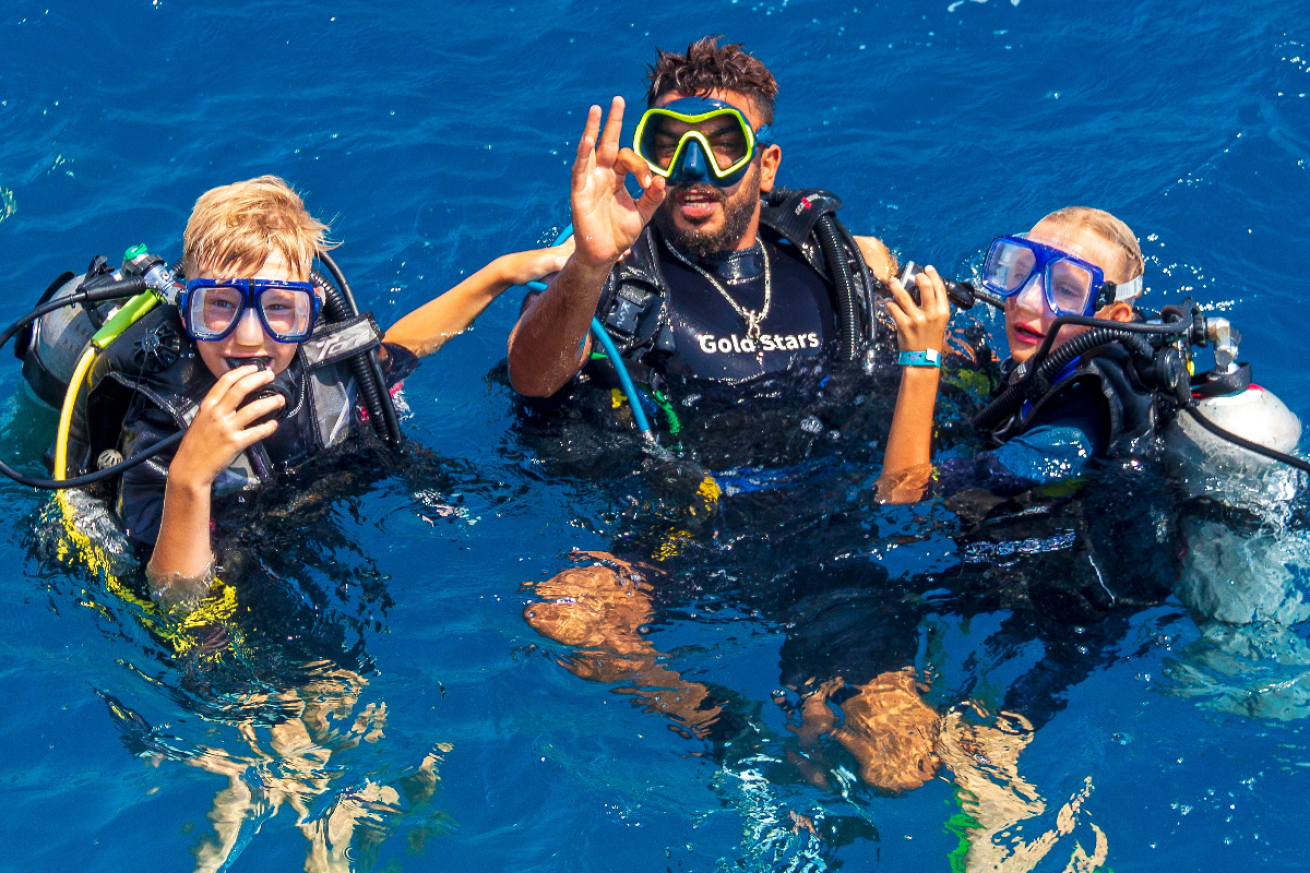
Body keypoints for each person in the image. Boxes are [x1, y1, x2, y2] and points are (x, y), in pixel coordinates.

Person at [59, 175, 571, 606]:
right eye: (219, 305)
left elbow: (401, 348)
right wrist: (190, 475)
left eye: (280, 308)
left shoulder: (322, 366)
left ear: (310, 310)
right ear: (187, 309)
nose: (250, 337)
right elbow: (175, 600)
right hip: (230, 567)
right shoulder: (161, 418)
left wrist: (504, 271)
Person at [507, 37, 896, 405]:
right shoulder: (613, 273)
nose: (693, 169)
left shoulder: (828, 265)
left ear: (766, 166)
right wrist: (589, 266)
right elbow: (532, 380)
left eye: (725, 145)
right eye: (670, 145)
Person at [878, 206, 1150, 502]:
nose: (1027, 300)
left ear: (1115, 317)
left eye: (1066, 291)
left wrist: (922, 358)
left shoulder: (1069, 437)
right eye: (1021, 272)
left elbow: (900, 496)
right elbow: (1006, 389)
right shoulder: (1065, 356)